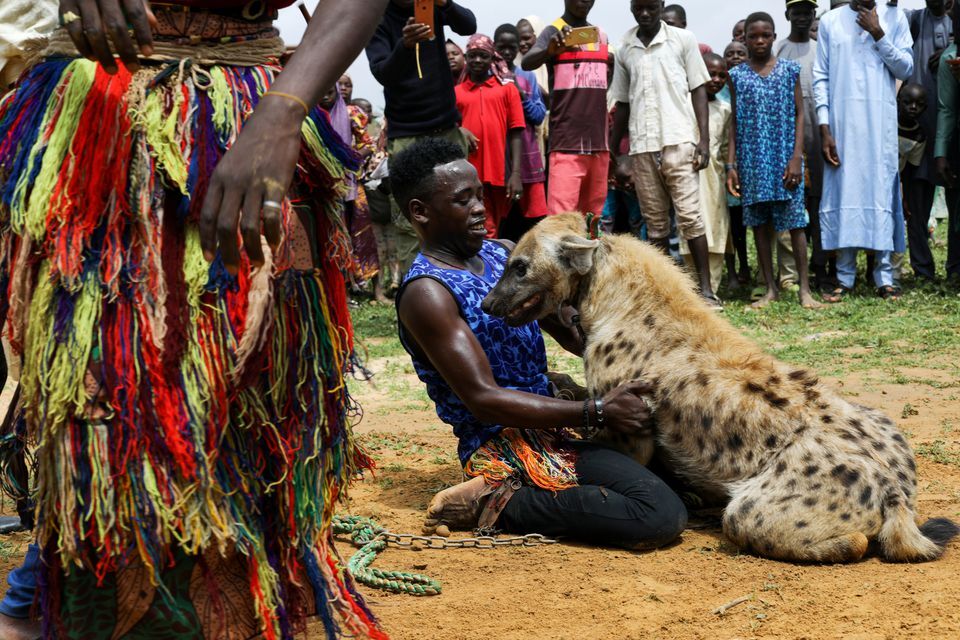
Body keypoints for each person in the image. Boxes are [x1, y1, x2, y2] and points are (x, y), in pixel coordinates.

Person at [0, 0, 391, 639]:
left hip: (249, 125)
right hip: (102, 129)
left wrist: (286, 109)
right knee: (107, 422)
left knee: (254, 423)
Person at [390, 137, 688, 549]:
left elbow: (570, 334)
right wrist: (597, 410)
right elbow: (484, 400)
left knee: (682, 473)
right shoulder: (428, 293)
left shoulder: (503, 255)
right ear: (420, 212)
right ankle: (494, 500)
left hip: (557, 427)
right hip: (505, 445)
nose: (480, 207)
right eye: (463, 200)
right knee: (655, 515)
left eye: (479, 195)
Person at [609, 0, 720, 307]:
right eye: (638, 8)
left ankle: (706, 291)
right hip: (643, 145)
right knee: (655, 224)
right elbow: (622, 101)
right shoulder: (624, 47)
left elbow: (699, 88)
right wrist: (613, 148)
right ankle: (663, 291)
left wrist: (704, 141)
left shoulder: (683, 39)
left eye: (650, 7)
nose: (644, 14)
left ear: (660, 6)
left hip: (679, 139)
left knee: (690, 218)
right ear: (632, 7)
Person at [366, 0, 477, 278]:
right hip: (407, 136)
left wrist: (446, 4)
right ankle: (416, 297)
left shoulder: (431, 7)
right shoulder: (378, 18)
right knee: (410, 221)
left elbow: (469, 25)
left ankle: (467, 287)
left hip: (447, 129)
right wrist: (404, 46)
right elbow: (382, 72)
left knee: (462, 210)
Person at [813, 0, 913, 301]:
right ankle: (844, 277)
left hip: (879, 124)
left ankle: (884, 277)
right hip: (841, 126)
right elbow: (821, 77)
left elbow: (906, 68)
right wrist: (825, 126)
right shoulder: (830, 21)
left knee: (879, 191)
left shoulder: (895, 16)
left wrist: (879, 32)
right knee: (845, 192)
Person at [727, 12, 821, 309]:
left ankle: (805, 289)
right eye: (753, 36)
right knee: (760, 225)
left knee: (795, 223)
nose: (759, 41)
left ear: (773, 36)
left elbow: (800, 114)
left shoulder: (789, 70)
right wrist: (732, 166)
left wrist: (797, 157)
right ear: (745, 38)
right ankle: (770, 288)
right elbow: (733, 124)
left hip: (784, 158)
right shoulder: (736, 75)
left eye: (765, 35)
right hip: (752, 158)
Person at [522, 0, 611, 217]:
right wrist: (551, 50)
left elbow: (609, 71)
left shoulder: (602, 36)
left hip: (599, 145)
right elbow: (527, 62)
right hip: (567, 143)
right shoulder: (553, 31)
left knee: (593, 218)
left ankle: (591, 251)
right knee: (562, 220)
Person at [776, 0, 837, 293]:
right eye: (796, 12)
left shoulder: (821, 49)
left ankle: (823, 268)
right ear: (787, 14)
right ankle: (790, 275)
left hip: (821, 139)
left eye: (807, 12)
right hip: (790, 144)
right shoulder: (779, 51)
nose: (802, 17)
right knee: (792, 209)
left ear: (814, 15)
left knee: (821, 206)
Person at [454, 34, 525, 237]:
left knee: (495, 222)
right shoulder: (457, 92)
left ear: (492, 58)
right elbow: (448, 127)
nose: (477, 60)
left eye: (483, 56)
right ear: (466, 58)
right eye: (473, 55)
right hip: (469, 169)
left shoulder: (507, 90)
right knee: (480, 222)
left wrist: (516, 173)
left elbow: (517, 130)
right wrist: (459, 130)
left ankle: (489, 264)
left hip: (499, 169)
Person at [903, 0, 951, 283]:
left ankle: (955, 269)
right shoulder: (914, 20)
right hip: (919, 130)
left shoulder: (956, 18)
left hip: (951, 129)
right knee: (917, 206)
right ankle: (923, 270)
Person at [680, 53, 731, 294]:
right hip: (689, 174)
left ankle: (713, 287)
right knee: (691, 224)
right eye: (710, 73)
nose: (716, 79)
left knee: (716, 226)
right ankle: (694, 289)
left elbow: (726, 145)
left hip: (715, 178)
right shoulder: (685, 106)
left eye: (722, 75)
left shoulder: (725, 109)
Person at [494, 24, 549, 228]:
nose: (507, 52)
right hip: (499, 156)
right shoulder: (490, 77)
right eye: (502, 47)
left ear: (518, 48)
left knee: (533, 218)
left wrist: (520, 94)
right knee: (503, 219)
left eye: (512, 47)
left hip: (526, 155)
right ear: (494, 47)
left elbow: (537, 115)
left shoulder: (527, 77)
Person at [720, 39, 752, 287]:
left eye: (740, 53)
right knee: (732, 224)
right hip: (723, 164)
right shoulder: (717, 86)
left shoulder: (750, 83)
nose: (736, 57)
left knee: (750, 220)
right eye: (730, 54)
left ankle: (754, 269)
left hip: (750, 160)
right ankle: (735, 270)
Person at [934, 3, 960, 290]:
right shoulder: (950, 59)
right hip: (957, 143)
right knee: (956, 209)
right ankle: (955, 268)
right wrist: (940, 153)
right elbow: (946, 109)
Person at [897, 82, 928, 287]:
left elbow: (908, 170)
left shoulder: (919, 135)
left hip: (896, 183)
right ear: (899, 101)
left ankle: (894, 271)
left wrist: (905, 198)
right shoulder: (887, 124)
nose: (913, 108)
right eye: (908, 102)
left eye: (919, 104)